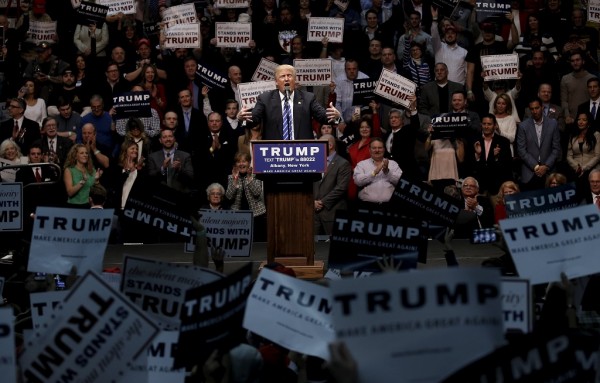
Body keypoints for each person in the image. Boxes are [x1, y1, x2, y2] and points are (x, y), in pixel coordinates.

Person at [238, 64, 342, 140]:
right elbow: (254, 119)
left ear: (295, 80)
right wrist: (243, 119)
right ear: (276, 82)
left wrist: (335, 117)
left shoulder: (308, 98)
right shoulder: (265, 99)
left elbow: (323, 117)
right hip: (274, 152)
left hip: (302, 151)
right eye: (282, 76)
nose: (286, 79)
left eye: (289, 75)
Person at [517, 97, 561, 190]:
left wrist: (546, 166)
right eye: (532, 109)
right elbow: (521, 150)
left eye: (537, 108)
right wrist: (536, 166)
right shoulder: (523, 126)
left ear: (542, 108)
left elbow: (556, 148)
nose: (534, 111)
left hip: (549, 171)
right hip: (530, 172)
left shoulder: (553, 124)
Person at [313, 134, 351, 236]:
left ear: (330, 145)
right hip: (314, 215)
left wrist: (321, 202)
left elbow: (341, 188)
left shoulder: (343, 164)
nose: (316, 147)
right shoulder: (313, 162)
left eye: (319, 144)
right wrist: (312, 202)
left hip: (332, 213)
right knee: (313, 248)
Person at [468, 114, 514, 195]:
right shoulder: (473, 140)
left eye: (489, 124)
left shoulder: (503, 142)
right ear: (481, 125)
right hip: (479, 187)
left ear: (495, 125)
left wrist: (495, 158)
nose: (486, 126)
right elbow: (469, 165)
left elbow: (507, 166)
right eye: (484, 124)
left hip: (497, 187)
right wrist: (478, 155)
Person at [225, 151, 266, 241]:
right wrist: (235, 181)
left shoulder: (256, 175)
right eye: (238, 162)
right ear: (235, 164)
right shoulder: (231, 177)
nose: (241, 164)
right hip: (237, 216)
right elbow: (229, 196)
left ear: (249, 163)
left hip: (256, 214)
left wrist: (249, 178)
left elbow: (257, 192)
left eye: (244, 161)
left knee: (256, 243)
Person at [353, 137, 402, 208]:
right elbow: (358, 182)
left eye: (380, 148)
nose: (377, 150)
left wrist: (387, 172)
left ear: (384, 149)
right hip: (366, 206)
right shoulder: (362, 164)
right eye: (374, 148)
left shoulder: (393, 164)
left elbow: (401, 183)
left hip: (390, 206)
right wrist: (374, 172)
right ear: (369, 150)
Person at [147, 129, 194, 193]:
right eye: (164, 137)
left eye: (170, 136)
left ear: (174, 139)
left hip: (180, 194)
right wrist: (162, 168)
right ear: (160, 140)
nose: (168, 139)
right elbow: (150, 178)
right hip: (159, 194)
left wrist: (180, 168)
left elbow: (191, 177)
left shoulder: (185, 156)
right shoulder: (152, 157)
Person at [566, 112, 600, 191]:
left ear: (589, 122)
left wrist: (584, 168)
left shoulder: (596, 135)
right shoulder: (573, 136)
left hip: (592, 168)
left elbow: (598, 156)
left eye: (584, 120)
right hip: (576, 169)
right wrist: (577, 167)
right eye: (578, 119)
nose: (580, 122)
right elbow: (569, 156)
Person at [63, 144, 102, 208]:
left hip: (89, 205)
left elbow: (96, 191)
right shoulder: (69, 170)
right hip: (74, 206)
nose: (85, 155)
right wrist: (82, 181)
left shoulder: (92, 170)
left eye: (86, 153)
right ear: (75, 156)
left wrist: (97, 180)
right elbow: (70, 192)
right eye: (82, 153)